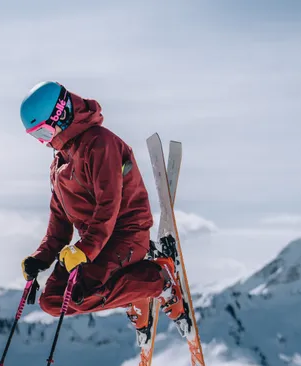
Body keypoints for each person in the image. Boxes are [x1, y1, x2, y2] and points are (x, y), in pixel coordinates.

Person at [19, 81, 184, 341]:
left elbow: (109, 207)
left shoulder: (99, 145)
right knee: (51, 301)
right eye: (37, 137)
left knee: (79, 294)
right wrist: (41, 258)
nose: (45, 143)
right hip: (94, 243)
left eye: (44, 134)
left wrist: (85, 251)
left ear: (61, 114)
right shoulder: (60, 163)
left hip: (126, 234)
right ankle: (135, 291)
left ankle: (160, 281)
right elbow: (59, 222)